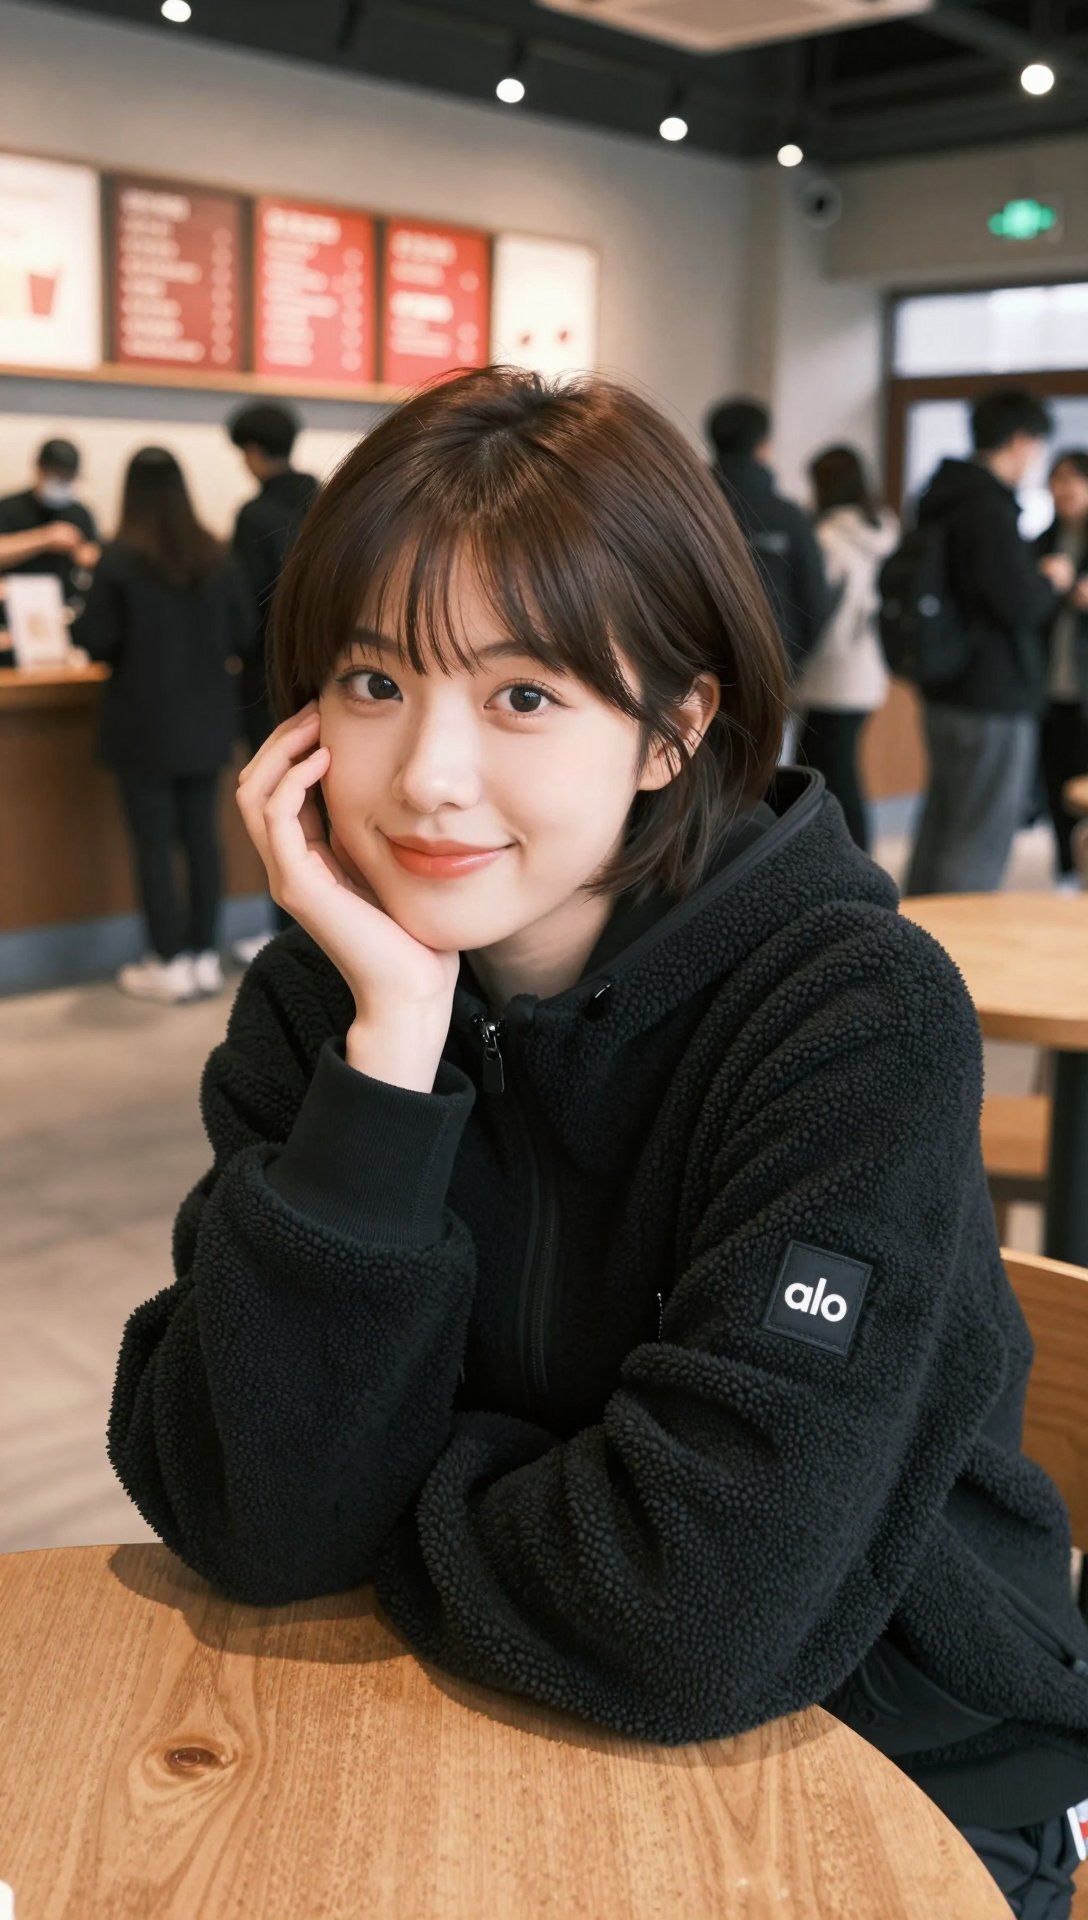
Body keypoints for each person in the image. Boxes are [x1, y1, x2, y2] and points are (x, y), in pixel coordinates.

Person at [108, 369, 1088, 1915]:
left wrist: (395, 1501)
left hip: (889, 1767)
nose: (427, 773)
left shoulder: (853, 1016)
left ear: (669, 730)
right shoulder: (324, 1000)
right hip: (475, 1724)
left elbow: (697, 1613)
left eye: (523, 695)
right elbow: (252, 1517)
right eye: (373, 683)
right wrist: (386, 1067)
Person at [73, 448, 252, 1005]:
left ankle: (167, 958)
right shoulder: (216, 555)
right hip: (207, 721)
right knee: (204, 840)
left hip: (143, 723)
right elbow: (243, 633)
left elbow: (95, 639)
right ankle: (203, 956)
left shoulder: (119, 558)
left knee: (153, 844)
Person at [905, 389, 1074, 897]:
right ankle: (957, 954)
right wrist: (1052, 580)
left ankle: (918, 937)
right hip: (991, 693)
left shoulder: (943, 495)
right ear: (1021, 441)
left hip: (948, 685)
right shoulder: (987, 507)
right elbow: (1016, 604)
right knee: (979, 834)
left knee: (943, 823)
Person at [227, 402, 320, 962]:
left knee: (277, 808)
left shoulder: (254, 514)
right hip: (329, 681)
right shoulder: (328, 497)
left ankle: (286, 939)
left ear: (253, 453)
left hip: (269, 684)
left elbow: (242, 612)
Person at [793, 445, 899, 853]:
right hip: (869, 671)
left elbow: (812, 609)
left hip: (830, 673)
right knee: (841, 772)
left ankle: (851, 859)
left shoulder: (826, 539)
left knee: (827, 778)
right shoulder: (885, 531)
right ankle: (852, 857)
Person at [705, 397, 834, 679]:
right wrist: (789, 661)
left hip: (697, 663)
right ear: (763, 447)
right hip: (771, 665)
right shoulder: (788, 517)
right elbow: (816, 602)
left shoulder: (688, 508)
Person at [1036, 450, 1088, 887]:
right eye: (1056, 480)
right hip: (1049, 687)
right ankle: (1065, 869)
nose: (1063, 489)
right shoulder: (1040, 541)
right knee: (1055, 779)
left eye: (1073, 480)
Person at [0, 437, 100, 602]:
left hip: (64, 605)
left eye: (67, 478)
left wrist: (82, 552)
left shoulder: (80, 513)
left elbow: (95, 556)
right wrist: (45, 538)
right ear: (39, 468)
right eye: (56, 476)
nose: (62, 483)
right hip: (12, 602)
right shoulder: (9, 508)